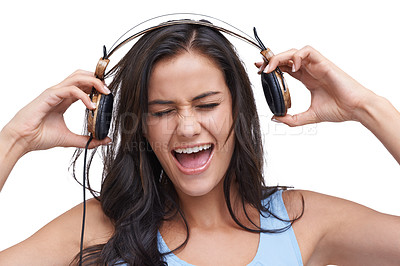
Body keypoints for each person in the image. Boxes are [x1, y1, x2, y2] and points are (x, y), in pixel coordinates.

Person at [0, 22, 399, 266]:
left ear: (238, 111)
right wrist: (14, 138)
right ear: (140, 127)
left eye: (206, 104)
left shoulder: (303, 221)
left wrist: (368, 108)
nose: (187, 128)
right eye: (161, 111)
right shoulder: (98, 229)